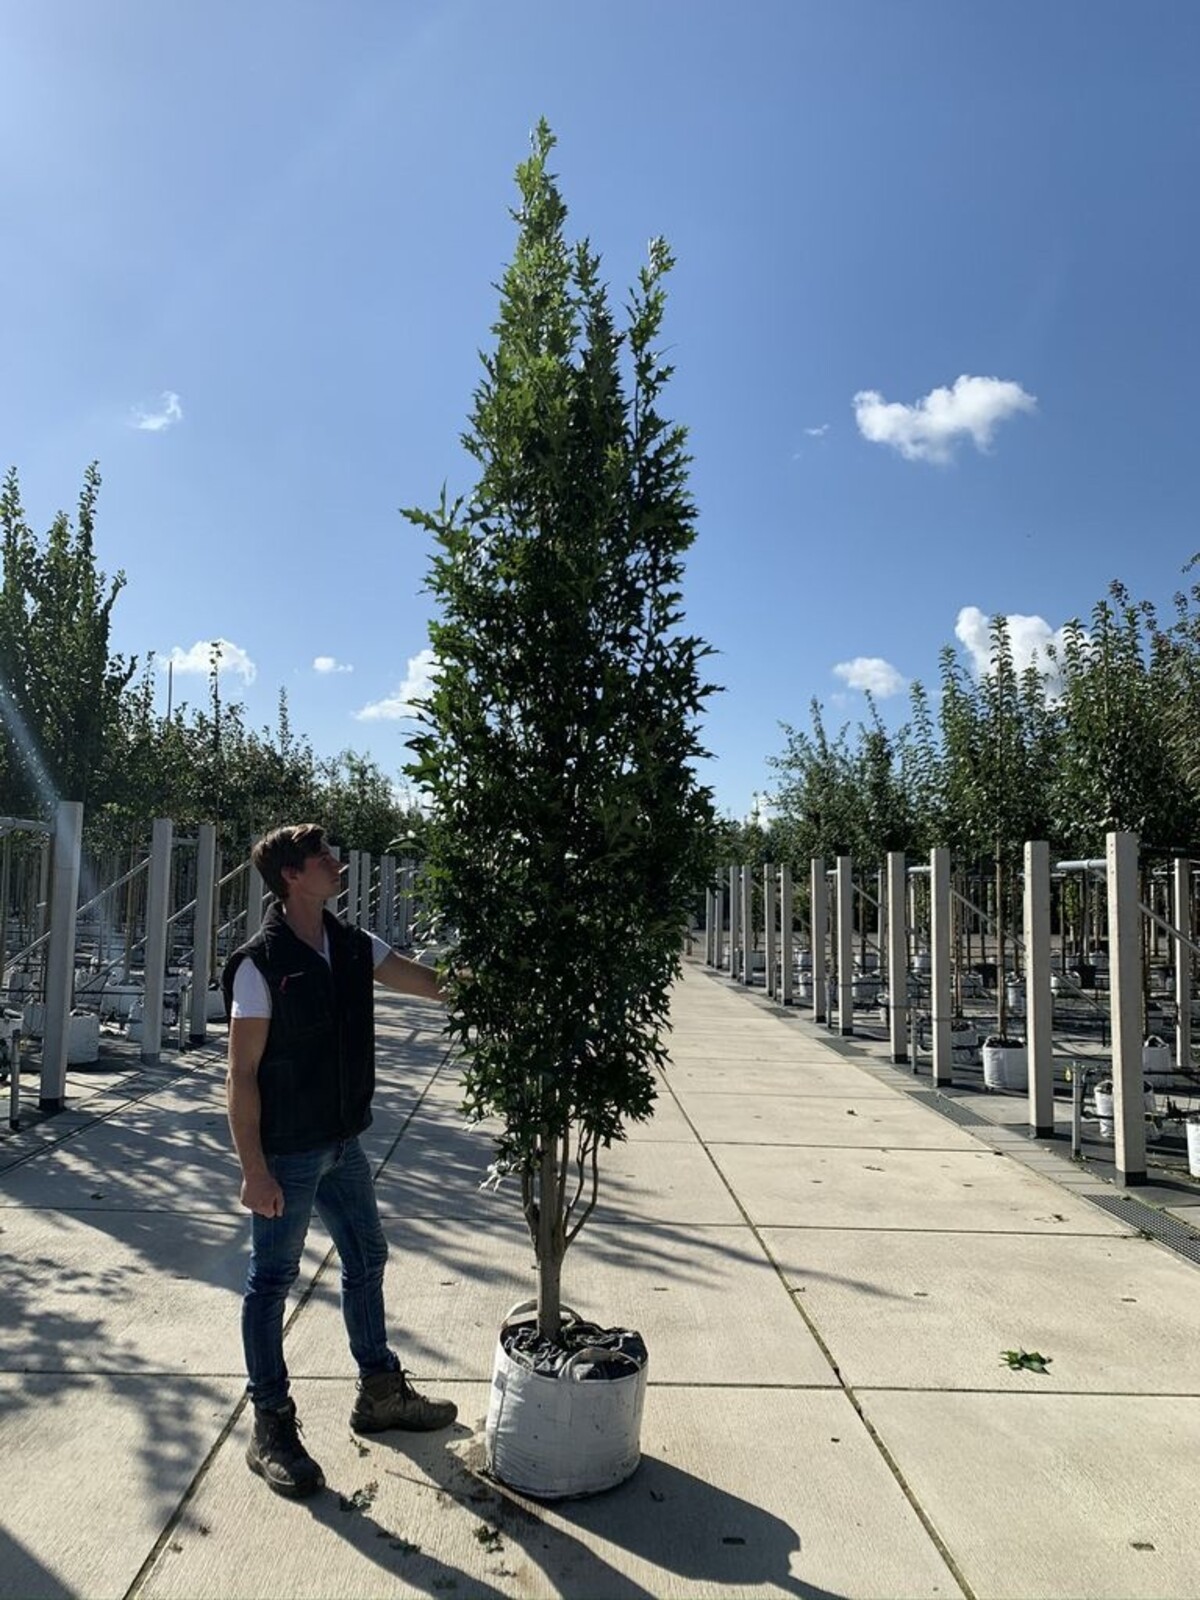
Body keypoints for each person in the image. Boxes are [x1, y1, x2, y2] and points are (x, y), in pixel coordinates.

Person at [222, 822, 456, 1499]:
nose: (335, 862)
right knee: (271, 1282)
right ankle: (270, 1425)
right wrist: (254, 1169)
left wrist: (500, 988)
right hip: (288, 1154)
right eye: (321, 857)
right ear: (291, 876)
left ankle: (379, 1392)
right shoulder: (260, 966)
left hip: (343, 1143)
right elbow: (241, 1074)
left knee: (367, 1257)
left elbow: (432, 984)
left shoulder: (353, 945)